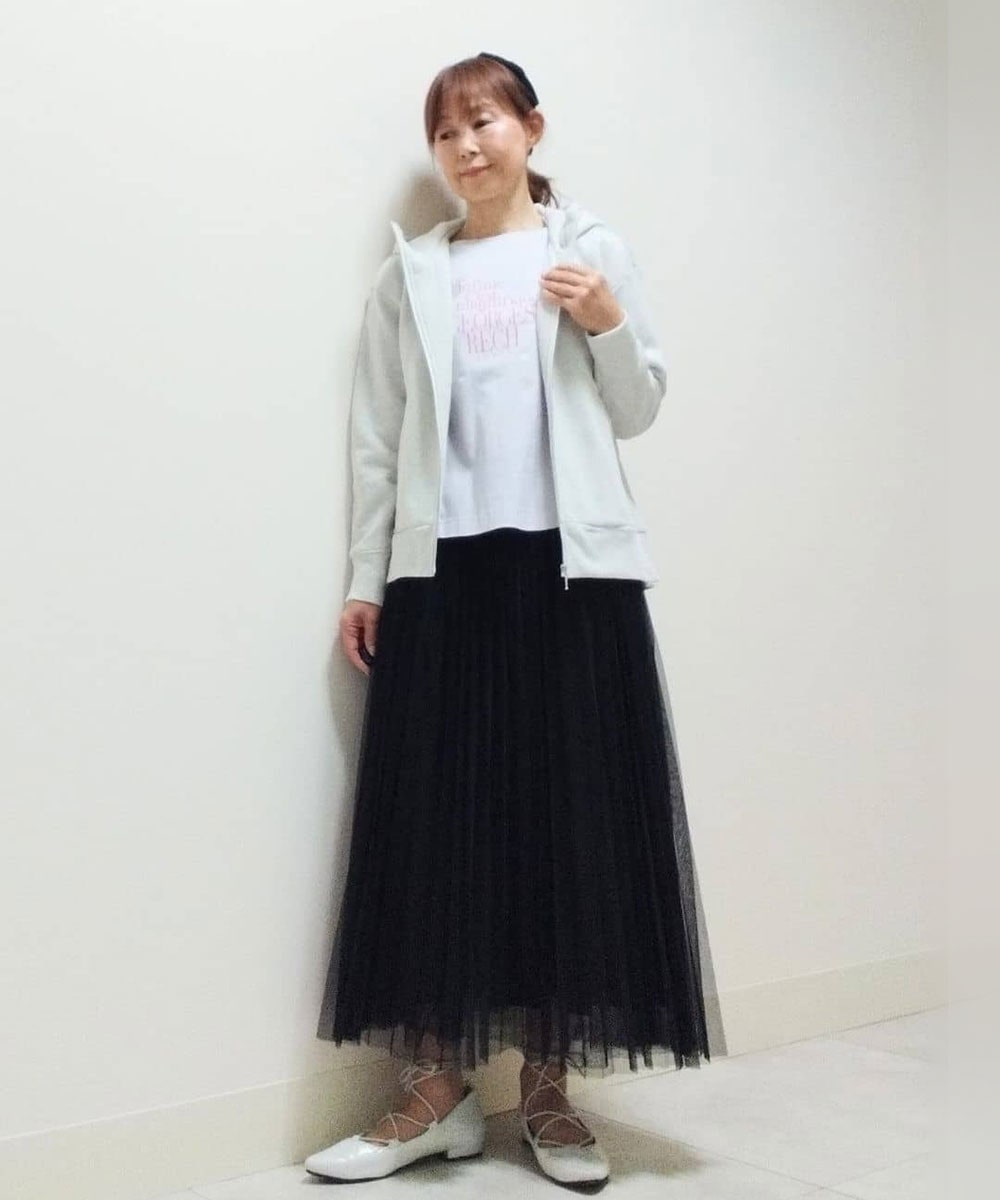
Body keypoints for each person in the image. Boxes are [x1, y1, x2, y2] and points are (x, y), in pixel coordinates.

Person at [307, 51, 715, 1187]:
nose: (465, 147)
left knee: (568, 824)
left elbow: (637, 407)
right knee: (435, 826)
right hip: (442, 575)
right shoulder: (413, 275)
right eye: (445, 133)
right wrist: (368, 577)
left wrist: (608, 320)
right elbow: (378, 438)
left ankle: (548, 1093)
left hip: (571, 574)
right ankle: (436, 1095)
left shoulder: (587, 251)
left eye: (483, 122)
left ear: (532, 128)